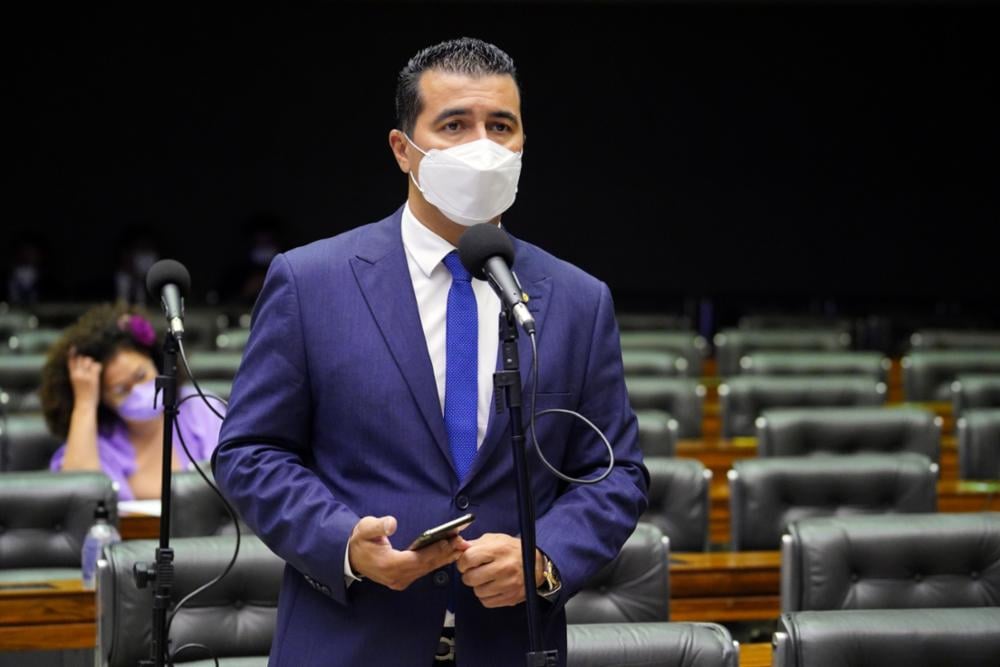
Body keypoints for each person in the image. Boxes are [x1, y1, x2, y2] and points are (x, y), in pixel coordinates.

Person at [212, 37, 648, 666]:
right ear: (402, 150)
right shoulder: (310, 282)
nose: (483, 146)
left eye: (502, 125)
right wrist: (343, 543)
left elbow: (616, 473)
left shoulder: (579, 299)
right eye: (454, 125)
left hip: (509, 645)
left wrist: (545, 557)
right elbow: (251, 451)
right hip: (351, 639)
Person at [40, 303, 223, 501]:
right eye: (120, 389)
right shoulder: (99, 442)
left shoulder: (199, 406)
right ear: (103, 398)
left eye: (141, 375)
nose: (137, 391)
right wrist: (85, 403)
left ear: (156, 362)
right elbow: (78, 502)